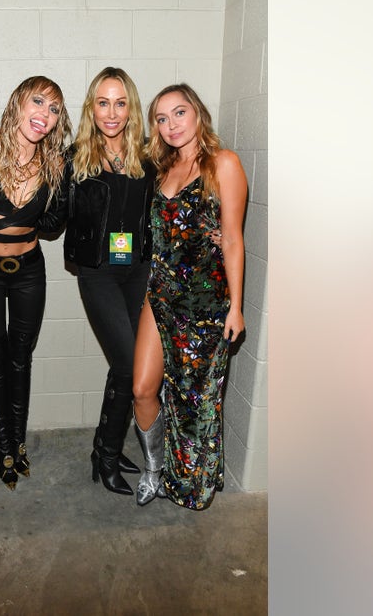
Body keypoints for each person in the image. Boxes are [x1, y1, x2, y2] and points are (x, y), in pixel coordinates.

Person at [132, 83, 248, 510]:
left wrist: (236, 307)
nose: (170, 125)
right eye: (161, 119)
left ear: (198, 114)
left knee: (194, 401)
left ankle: (191, 484)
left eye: (179, 113)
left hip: (206, 306)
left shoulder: (224, 164)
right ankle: (153, 469)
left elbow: (233, 240)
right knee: (143, 388)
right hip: (160, 295)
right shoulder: (159, 169)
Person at [0, 76, 71, 491]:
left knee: (20, 359)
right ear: (18, 103)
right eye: (39, 102)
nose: (44, 115)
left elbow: (52, 225)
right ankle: (3, 448)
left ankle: (19, 442)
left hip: (28, 270)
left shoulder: (55, 164)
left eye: (54, 110)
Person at [61, 67, 154, 496]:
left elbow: (173, 202)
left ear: (130, 107)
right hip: (97, 273)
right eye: (103, 102)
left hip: (136, 270)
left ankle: (104, 448)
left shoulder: (148, 157)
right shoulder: (74, 157)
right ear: (91, 108)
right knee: (128, 364)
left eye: (120, 103)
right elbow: (47, 214)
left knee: (125, 365)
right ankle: (108, 452)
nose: (111, 112)